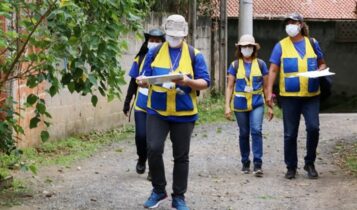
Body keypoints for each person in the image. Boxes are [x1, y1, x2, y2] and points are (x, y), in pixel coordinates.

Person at [137, 14, 210, 210]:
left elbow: (205, 82)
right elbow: (144, 76)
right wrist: (143, 80)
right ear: (166, 33)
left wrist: (187, 81)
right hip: (156, 111)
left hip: (184, 114)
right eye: (170, 35)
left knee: (181, 156)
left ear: (184, 35)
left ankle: (179, 197)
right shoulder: (154, 52)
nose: (173, 38)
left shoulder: (195, 55)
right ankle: (159, 190)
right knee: (153, 148)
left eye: (177, 36)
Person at [265, 12, 327, 179]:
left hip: (311, 96)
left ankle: (309, 163)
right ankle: (291, 166)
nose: (290, 25)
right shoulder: (281, 46)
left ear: (301, 25)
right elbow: (273, 70)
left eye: (294, 22)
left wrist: (320, 71)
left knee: (313, 128)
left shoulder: (312, 43)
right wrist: (269, 92)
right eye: (288, 22)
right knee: (290, 133)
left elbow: (322, 64)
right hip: (289, 97)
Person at [225, 34, 273, 177]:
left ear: (254, 48)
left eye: (249, 46)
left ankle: (258, 164)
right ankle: (245, 162)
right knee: (244, 133)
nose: (247, 49)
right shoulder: (234, 65)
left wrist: (270, 106)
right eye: (244, 46)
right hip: (240, 104)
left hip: (257, 103)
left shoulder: (261, 64)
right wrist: (227, 106)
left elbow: (266, 87)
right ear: (240, 48)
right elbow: (229, 87)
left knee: (256, 130)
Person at [123, 28, 165, 180]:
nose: (154, 43)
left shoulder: (166, 60)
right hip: (141, 103)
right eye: (151, 40)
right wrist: (127, 103)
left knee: (154, 141)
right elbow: (133, 82)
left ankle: (153, 171)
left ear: (163, 43)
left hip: (158, 105)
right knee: (141, 136)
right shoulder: (140, 59)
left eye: (157, 41)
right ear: (147, 42)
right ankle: (142, 158)